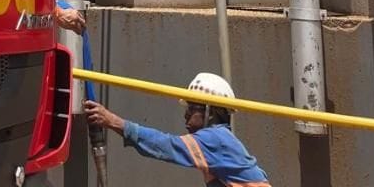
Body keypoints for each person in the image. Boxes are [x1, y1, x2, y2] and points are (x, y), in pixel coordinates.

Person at [84, 72, 272, 187]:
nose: (186, 115)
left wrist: (114, 121)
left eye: (192, 108)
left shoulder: (215, 139)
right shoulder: (222, 140)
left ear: (211, 112)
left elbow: (166, 146)